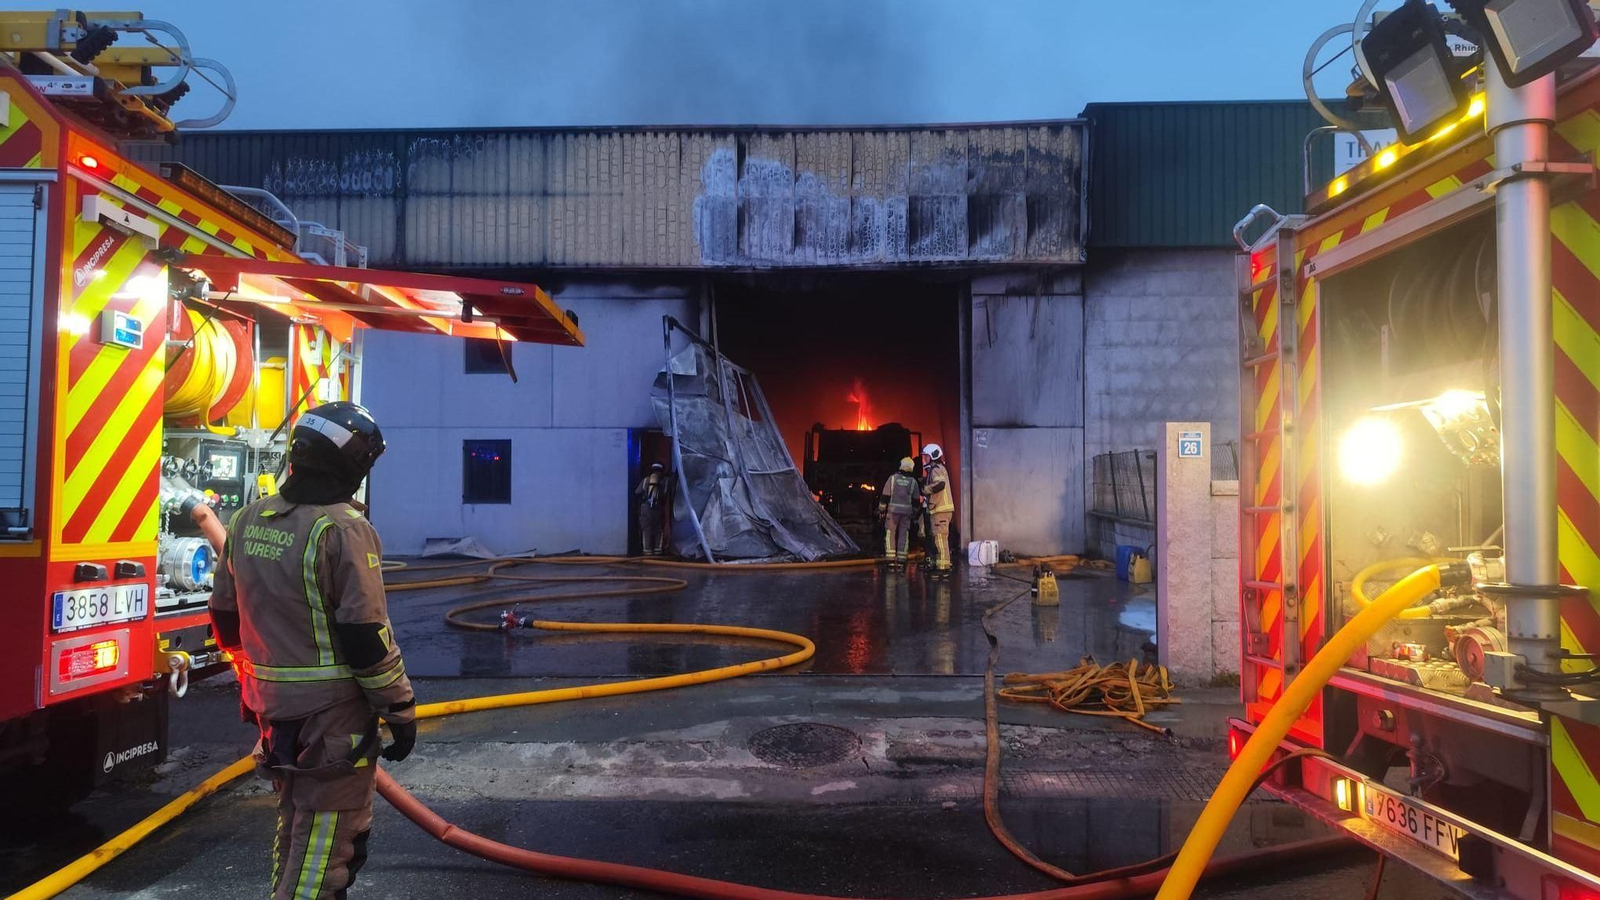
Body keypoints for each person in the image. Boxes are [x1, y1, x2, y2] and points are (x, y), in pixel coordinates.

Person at [209, 401, 415, 900]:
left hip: (272, 713)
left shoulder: (247, 520)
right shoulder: (343, 529)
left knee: (297, 823)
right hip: (331, 719)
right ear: (354, 465)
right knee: (328, 845)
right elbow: (365, 637)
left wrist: (262, 679)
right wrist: (400, 709)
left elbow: (224, 617)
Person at [877, 457, 921, 570]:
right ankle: (902, 560)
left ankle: (890, 561)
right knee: (904, 535)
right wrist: (915, 515)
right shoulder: (913, 482)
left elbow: (885, 496)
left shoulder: (892, 479)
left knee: (890, 534)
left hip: (892, 512)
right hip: (906, 513)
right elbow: (916, 501)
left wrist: (881, 510)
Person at [921, 443, 955, 578]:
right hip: (940, 510)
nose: (924, 459)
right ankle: (940, 565)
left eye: (926, 456)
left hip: (940, 510)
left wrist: (926, 489)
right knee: (939, 538)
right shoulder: (938, 469)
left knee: (940, 539)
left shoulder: (936, 469)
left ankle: (943, 568)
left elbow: (940, 484)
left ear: (933, 456)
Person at [635, 462, 669, 555]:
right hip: (658, 508)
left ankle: (647, 550)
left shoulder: (645, 480)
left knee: (647, 529)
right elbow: (665, 494)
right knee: (658, 529)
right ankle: (658, 549)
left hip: (645, 508)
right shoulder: (665, 482)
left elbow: (637, 492)